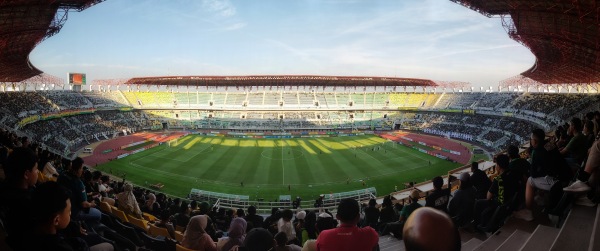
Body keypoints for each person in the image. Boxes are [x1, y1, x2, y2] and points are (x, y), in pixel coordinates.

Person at [0, 147, 38, 250]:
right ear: (26, 174)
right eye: (36, 169)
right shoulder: (29, 204)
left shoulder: (4, 188)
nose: (37, 172)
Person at [475, 154, 522, 228]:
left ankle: (478, 225)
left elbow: (488, 197)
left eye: (496, 164)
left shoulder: (498, 179)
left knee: (478, 203)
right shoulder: (514, 173)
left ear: (499, 166)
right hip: (509, 201)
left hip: (500, 204)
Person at [57, 157, 102, 227]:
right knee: (98, 213)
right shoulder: (78, 183)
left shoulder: (62, 174)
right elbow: (84, 204)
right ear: (78, 169)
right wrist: (91, 204)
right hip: (74, 212)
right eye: (81, 168)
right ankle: (88, 230)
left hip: (61, 206)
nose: (82, 170)